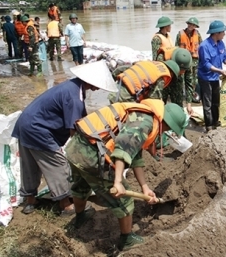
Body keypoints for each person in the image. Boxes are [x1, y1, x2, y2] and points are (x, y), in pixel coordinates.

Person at [66, 101, 186, 251]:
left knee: (81, 185)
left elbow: (135, 157)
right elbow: (123, 149)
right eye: (169, 128)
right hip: (91, 155)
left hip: (75, 147)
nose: (165, 132)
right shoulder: (145, 124)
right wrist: (117, 181)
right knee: (125, 200)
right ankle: (127, 239)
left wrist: (145, 188)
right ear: (166, 123)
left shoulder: (144, 114)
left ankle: (80, 216)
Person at [11, 60, 118, 216]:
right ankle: (66, 205)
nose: (98, 88)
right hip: (38, 130)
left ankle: (30, 202)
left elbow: (83, 120)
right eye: (98, 84)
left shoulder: (72, 86)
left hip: (25, 124)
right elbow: (75, 130)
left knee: (30, 165)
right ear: (91, 80)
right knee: (59, 165)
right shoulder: (74, 97)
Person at [197, 20, 226, 132]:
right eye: (223, 32)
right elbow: (206, 64)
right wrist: (220, 71)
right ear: (216, 33)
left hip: (215, 78)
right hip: (205, 78)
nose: (224, 34)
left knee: (216, 102)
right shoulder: (204, 46)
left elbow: (225, 58)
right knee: (207, 103)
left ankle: (216, 122)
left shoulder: (221, 44)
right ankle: (209, 126)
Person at [107, 60, 180, 103]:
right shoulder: (162, 77)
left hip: (115, 91)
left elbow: (119, 69)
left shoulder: (148, 63)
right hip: (125, 98)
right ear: (172, 73)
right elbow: (153, 99)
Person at [175, 17, 203, 103]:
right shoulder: (180, 34)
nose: (191, 26)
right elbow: (176, 47)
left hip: (194, 61)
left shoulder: (197, 34)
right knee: (181, 79)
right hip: (183, 61)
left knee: (193, 80)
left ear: (195, 26)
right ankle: (181, 96)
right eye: (190, 24)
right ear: (187, 24)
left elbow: (202, 47)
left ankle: (192, 96)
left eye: (193, 25)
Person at [160, 48, 194, 115]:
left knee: (179, 110)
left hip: (177, 81)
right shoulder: (162, 58)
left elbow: (189, 82)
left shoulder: (187, 61)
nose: (182, 72)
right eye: (180, 70)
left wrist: (189, 103)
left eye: (183, 70)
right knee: (160, 109)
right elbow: (157, 80)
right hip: (164, 81)